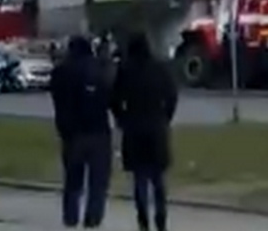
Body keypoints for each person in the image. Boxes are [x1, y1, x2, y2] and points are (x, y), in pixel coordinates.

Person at [110, 33, 179, 231]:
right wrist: (165, 117)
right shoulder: (160, 69)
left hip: (133, 129)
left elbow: (114, 100)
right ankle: (161, 218)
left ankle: (143, 220)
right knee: (158, 178)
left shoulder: (125, 71)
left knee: (140, 178)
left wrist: (122, 119)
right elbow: (172, 96)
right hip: (156, 128)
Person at [48, 35, 113, 229]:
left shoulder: (61, 71)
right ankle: (92, 219)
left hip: (71, 134)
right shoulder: (98, 69)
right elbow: (110, 95)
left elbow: (56, 97)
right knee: (98, 182)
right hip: (98, 131)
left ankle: (70, 218)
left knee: (73, 181)